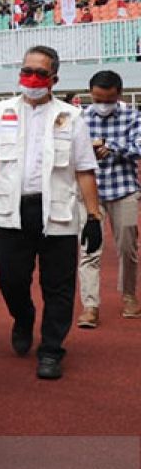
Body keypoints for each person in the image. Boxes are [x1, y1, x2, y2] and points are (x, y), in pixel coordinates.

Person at [0, 47, 101, 379]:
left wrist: (93, 216)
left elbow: (85, 169)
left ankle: (51, 349)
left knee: (58, 286)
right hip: (12, 211)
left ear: (54, 79)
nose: (31, 78)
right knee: (10, 280)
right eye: (26, 70)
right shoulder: (0, 112)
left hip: (57, 213)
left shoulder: (72, 117)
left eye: (40, 73)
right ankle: (23, 316)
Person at [79, 70, 141, 325]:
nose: (102, 104)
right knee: (89, 250)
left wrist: (113, 147)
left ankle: (129, 296)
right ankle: (90, 305)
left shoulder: (132, 116)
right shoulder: (79, 118)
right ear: (90, 94)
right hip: (89, 192)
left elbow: (139, 148)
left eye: (108, 100)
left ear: (119, 95)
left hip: (123, 189)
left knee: (128, 247)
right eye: (98, 99)